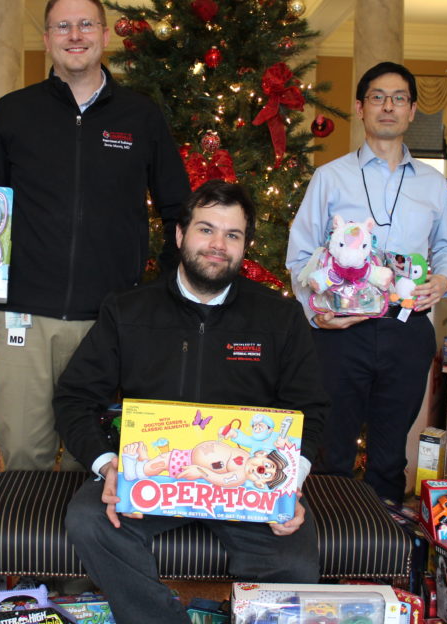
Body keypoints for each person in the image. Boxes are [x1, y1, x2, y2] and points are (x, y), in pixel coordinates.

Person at [0, 0, 189, 471]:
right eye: (63, 25)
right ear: (46, 38)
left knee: (98, 458)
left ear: (104, 34)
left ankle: (87, 548)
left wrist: (160, 287)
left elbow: (178, 208)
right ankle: (31, 550)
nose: (74, 35)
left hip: (110, 319)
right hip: (25, 317)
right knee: (24, 453)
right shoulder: (14, 112)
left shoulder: (140, 116)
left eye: (85, 24)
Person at [54, 181, 329, 624]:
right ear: (180, 235)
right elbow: (74, 397)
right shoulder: (127, 310)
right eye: (206, 230)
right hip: (155, 478)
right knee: (90, 520)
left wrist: (288, 482)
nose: (218, 245)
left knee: (294, 562)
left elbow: (309, 408)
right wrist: (108, 465)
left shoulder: (279, 317)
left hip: (250, 486)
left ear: (244, 247)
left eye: (232, 235)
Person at [286, 61, 447, 504]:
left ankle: (379, 550)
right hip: (341, 333)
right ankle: (327, 544)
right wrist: (317, 313)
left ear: (413, 110)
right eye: (378, 98)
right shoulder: (331, 177)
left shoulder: (433, 184)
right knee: (331, 450)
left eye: (399, 98)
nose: (389, 106)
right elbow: (301, 253)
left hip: (407, 329)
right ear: (361, 108)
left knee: (389, 456)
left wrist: (442, 281)